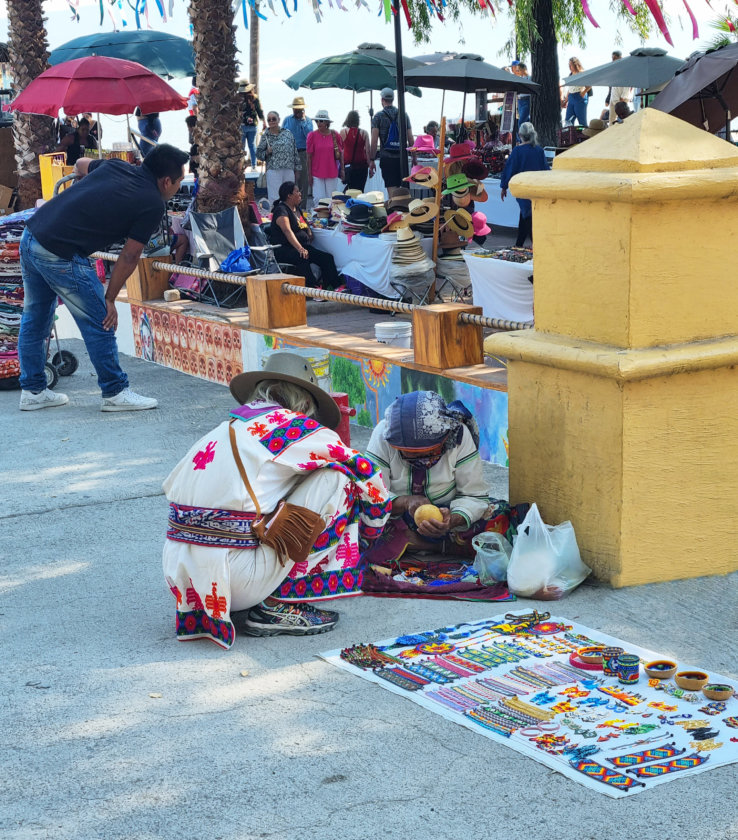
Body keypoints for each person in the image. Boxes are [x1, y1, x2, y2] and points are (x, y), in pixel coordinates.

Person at [161, 351, 392, 648]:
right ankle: (276, 603)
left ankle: (254, 591)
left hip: (180, 578)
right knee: (341, 478)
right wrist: (371, 534)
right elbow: (368, 476)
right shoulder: (292, 428)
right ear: (306, 404)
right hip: (236, 579)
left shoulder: (226, 429)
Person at [17, 143, 189, 412]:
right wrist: (110, 298)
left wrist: (94, 193)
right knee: (101, 320)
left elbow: (80, 164)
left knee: (35, 316)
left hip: (32, 236)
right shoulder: (152, 203)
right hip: (60, 252)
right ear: (166, 181)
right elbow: (130, 257)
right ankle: (115, 391)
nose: (179, 186)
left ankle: (33, 390)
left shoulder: (116, 166)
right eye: (179, 181)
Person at [364, 391, 525, 565]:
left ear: (444, 440)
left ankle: (414, 543)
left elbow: (474, 495)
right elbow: (371, 494)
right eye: (409, 455)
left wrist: (452, 520)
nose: (420, 461)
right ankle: (441, 546)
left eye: (429, 454)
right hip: (396, 516)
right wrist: (405, 502)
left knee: (499, 516)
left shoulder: (458, 435)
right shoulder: (384, 434)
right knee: (354, 518)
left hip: (449, 514)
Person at [267, 181, 342, 289]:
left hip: (302, 246)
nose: (300, 194)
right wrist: (300, 248)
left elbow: (303, 223)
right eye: (297, 191)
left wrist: (309, 232)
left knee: (327, 258)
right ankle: (313, 288)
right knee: (302, 257)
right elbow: (287, 231)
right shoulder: (281, 210)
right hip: (285, 249)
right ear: (289, 195)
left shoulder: (296, 209)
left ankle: (334, 286)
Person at [499, 121, 549, 247]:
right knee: (528, 217)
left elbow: (510, 168)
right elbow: (545, 170)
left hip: (523, 189)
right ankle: (523, 245)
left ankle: (521, 245)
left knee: (527, 217)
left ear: (520, 134)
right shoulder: (538, 150)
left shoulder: (518, 151)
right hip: (537, 188)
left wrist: (504, 186)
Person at [369, 87, 415, 190]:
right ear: (393, 99)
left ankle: (394, 206)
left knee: (392, 190)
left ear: (382, 100)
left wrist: (371, 160)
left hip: (387, 158)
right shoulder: (404, 115)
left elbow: (374, 140)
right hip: (402, 158)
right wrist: (414, 157)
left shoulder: (378, 117)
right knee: (403, 191)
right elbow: (411, 138)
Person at [256, 110, 299, 203]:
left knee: (290, 195)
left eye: (274, 119)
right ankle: (276, 215)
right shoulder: (265, 136)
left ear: (279, 119)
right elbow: (258, 154)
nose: (271, 121)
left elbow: (294, 151)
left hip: (288, 169)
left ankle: (290, 215)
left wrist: (297, 168)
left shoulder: (288, 133)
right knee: (275, 196)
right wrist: (267, 152)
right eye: (269, 120)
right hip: (273, 170)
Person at [306, 109, 344, 202]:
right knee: (318, 199)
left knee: (331, 199)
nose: (318, 123)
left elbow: (341, 153)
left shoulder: (335, 135)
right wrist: (309, 174)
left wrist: (342, 170)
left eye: (321, 121)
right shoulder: (312, 136)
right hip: (316, 172)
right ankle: (319, 216)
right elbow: (309, 157)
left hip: (331, 171)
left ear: (327, 122)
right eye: (317, 121)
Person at [282, 96, 314, 202]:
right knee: (290, 179)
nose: (296, 111)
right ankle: (289, 204)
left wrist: (303, 122)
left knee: (302, 180)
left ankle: (302, 206)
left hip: (302, 152)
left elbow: (309, 135)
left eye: (298, 109)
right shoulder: (287, 120)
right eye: (295, 109)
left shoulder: (308, 121)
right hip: (289, 152)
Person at [340, 110, 370, 192]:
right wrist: (370, 166)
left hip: (349, 166)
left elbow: (341, 152)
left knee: (350, 190)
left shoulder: (343, 132)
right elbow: (368, 151)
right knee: (360, 190)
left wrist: (341, 168)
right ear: (358, 120)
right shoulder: (364, 133)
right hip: (362, 166)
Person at [238, 80, 266, 169]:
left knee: (241, 147)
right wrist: (264, 121)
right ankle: (254, 165)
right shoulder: (255, 98)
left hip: (242, 125)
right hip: (253, 125)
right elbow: (259, 111)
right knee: (252, 145)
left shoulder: (238, 98)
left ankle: (241, 165)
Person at [561, 57, 590, 126]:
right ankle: (569, 135)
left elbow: (589, 85)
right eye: (569, 65)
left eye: (571, 65)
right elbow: (570, 89)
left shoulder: (582, 73)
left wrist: (584, 92)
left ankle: (583, 134)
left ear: (575, 64)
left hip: (579, 97)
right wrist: (565, 101)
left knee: (581, 120)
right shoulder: (571, 75)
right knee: (568, 120)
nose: (569, 67)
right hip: (571, 97)